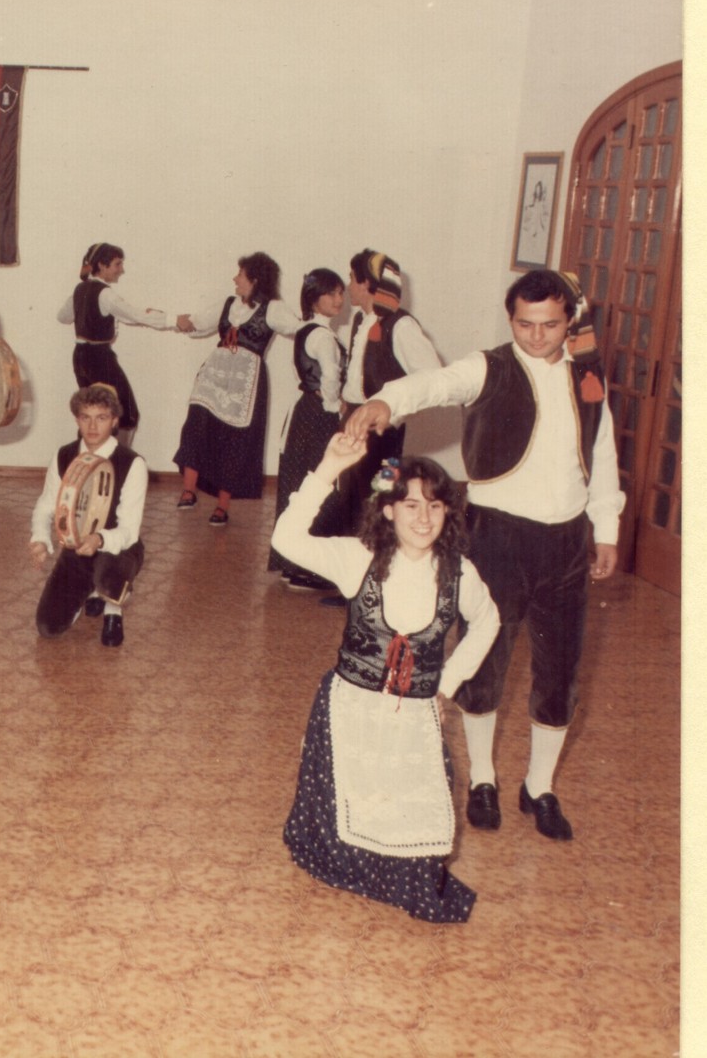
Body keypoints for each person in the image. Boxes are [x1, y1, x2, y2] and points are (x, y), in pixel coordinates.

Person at [345, 269, 623, 842]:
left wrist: (607, 528)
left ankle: (539, 787)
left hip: (567, 543)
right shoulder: (487, 368)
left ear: (569, 320)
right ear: (510, 319)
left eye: (550, 325)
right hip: (496, 537)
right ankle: (483, 779)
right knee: (484, 662)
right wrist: (384, 402)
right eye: (525, 324)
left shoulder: (586, 375)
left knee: (560, 673)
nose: (537, 336)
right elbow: (434, 384)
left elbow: (602, 453)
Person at [273, 433, 499, 923]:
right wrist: (328, 467)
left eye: (435, 506)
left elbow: (488, 620)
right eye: (411, 505)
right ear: (389, 510)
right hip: (350, 709)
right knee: (347, 815)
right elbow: (285, 540)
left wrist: (446, 684)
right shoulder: (359, 557)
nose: (424, 518)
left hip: (415, 713)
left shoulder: (459, 573)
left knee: (416, 814)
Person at [173, 252, 300, 523]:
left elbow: (298, 329)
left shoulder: (273, 308)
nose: (235, 279)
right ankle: (188, 490)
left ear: (255, 280)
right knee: (196, 423)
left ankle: (222, 505)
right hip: (215, 373)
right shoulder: (227, 303)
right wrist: (181, 322)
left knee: (234, 438)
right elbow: (198, 322)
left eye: (240, 274)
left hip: (246, 380)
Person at [28, 384, 147, 648]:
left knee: (109, 578)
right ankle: (89, 593)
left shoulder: (132, 463)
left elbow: (129, 530)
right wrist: (40, 538)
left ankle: (113, 609)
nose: (92, 426)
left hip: (118, 548)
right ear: (77, 419)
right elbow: (46, 504)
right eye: (85, 417)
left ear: (114, 421)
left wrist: (99, 539)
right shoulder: (64, 455)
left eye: (101, 418)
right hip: (78, 548)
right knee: (48, 627)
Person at [336, 249, 441, 522]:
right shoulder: (360, 320)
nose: (348, 286)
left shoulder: (401, 324)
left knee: (380, 496)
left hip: (383, 432)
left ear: (366, 283)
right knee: (350, 498)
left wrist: (395, 412)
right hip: (354, 422)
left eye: (352, 278)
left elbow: (432, 376)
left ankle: (377, 546)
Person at [267, 268, 347, 591]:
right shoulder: (323, 336)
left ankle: (293, 565)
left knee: (300, 481)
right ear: (314, 298)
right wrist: (336, 405)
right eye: (331, 293)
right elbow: (330, 376)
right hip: (319, 415)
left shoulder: (305, 330)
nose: (338, 299)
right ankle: (308, 569)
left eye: (340, 293)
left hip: (305, 412)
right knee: (319, 482)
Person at [56, 243, 175, 438]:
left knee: (93, 412)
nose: (121, 270)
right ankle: (117, 457)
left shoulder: (79, 289)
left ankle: (92, 455)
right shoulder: (105, 293)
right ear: (102, 265)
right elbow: (136, 316)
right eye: (117, 264)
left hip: (79, 357)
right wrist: (174, 321)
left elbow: (63, 317)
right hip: (99, 358)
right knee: (125, 414)